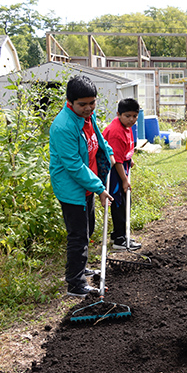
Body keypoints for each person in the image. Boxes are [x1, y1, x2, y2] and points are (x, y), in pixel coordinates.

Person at [49, 75, 115, 297]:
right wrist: (99, 188)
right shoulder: (63, 126)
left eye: (92, 102)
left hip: (87, 184)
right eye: (83, 104)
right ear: (70, 102)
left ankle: (80, 267)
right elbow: (74, 166)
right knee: (78, 235)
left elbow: (97, 138)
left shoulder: (87, 117)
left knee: (88, 229)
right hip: (72, 188)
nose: (88, 108)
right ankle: (75, 284)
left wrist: (109, 153)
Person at [102, 98, 142, 251]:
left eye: (135, 116)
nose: (132, 119)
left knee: (126, 202)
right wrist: (124, 180)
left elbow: (124, 151)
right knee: (119, 203)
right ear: (118, 114)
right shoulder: (116, 131)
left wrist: (129, 159)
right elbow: (116, 160)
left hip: (122, 165)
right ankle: (119, 240)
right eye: (128, 116)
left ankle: (119, 235)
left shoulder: (127, 126)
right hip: (113, 171)